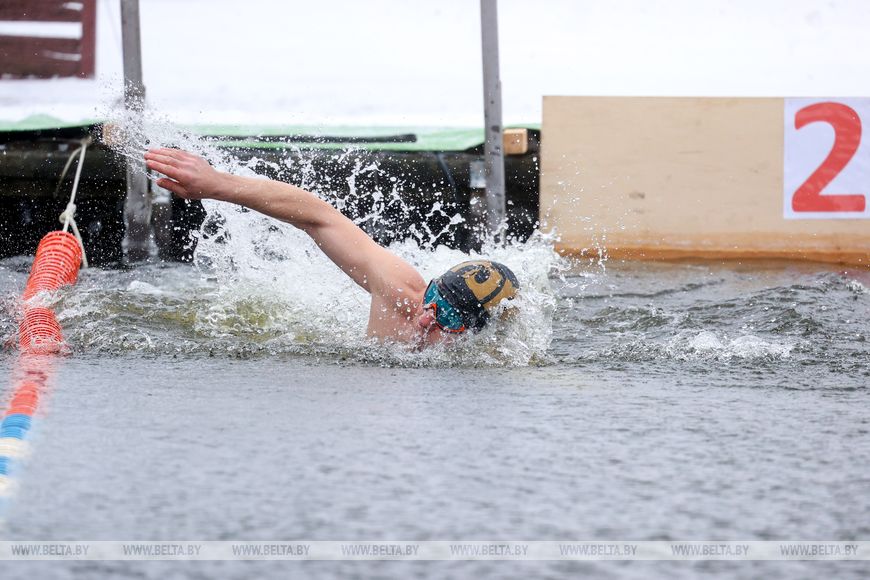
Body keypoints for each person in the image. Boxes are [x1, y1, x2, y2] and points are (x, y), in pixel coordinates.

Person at [144, 148, 519, 346]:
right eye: (433, 297)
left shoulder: (488, 356)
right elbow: (317, 216)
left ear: (474, 334)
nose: (425, 317)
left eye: (448, 320)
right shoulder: (402, 291)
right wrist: (218, 185)